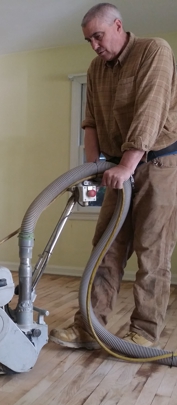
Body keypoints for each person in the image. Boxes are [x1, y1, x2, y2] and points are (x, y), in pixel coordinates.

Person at [50, 3, 177, 349]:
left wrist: (126, 166)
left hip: (159, 164)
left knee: (152, 251)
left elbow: (150, 112)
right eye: (88, 39)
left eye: (98, 36)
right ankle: (89, 328)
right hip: (118, 168)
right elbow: (90, 121)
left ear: (118, 26)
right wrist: (94, 168)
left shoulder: (154, 51)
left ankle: (144, 334)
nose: (94, 45)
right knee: (104, 250)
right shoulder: (95, 69)